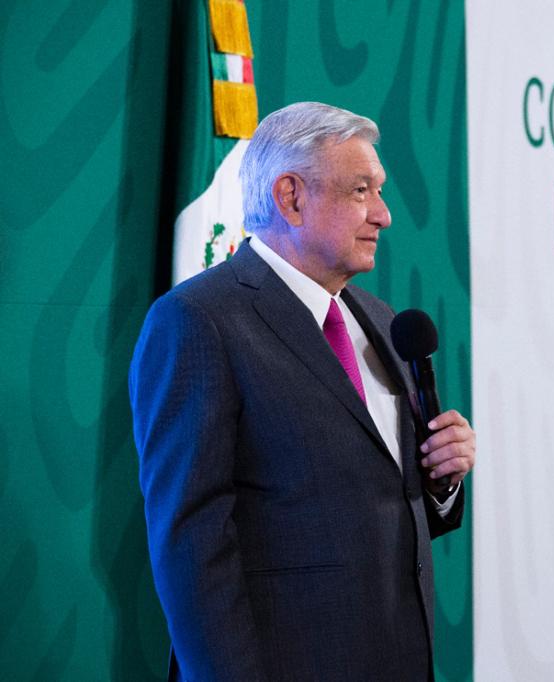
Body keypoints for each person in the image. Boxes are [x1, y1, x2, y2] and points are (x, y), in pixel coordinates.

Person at [129, 101, 475, 681]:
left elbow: (376, 507)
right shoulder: (197, 321)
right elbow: (191, 544)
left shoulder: (381, 319)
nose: (384, 214)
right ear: (290, 197)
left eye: (380, 191)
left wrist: (439, 482)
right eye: (361, 190)